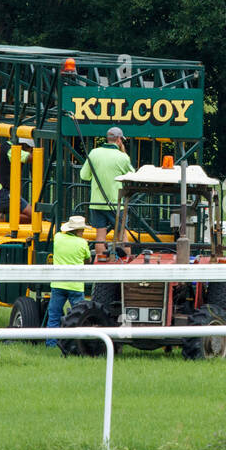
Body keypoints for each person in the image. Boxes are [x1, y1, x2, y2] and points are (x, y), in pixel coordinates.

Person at [80, 127, 133, 256]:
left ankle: (101, 263)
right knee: (122, 236)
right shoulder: (123, 157)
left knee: (100, 236)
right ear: (119, 140)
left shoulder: (94, 153)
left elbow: (84, 176)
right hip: (116, 203)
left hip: (96, 202)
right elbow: (132, 176)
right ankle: (127, 265)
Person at [45, 215, 93, 347]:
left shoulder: (58, 238)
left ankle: (51, 344)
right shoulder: (83, 243)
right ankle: (77, 344)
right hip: (75, 285)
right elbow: (88, 260)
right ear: (78, 231)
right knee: (80, 316)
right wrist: (84, 243)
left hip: (58, 283)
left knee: (54, 315)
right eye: (82, 230)